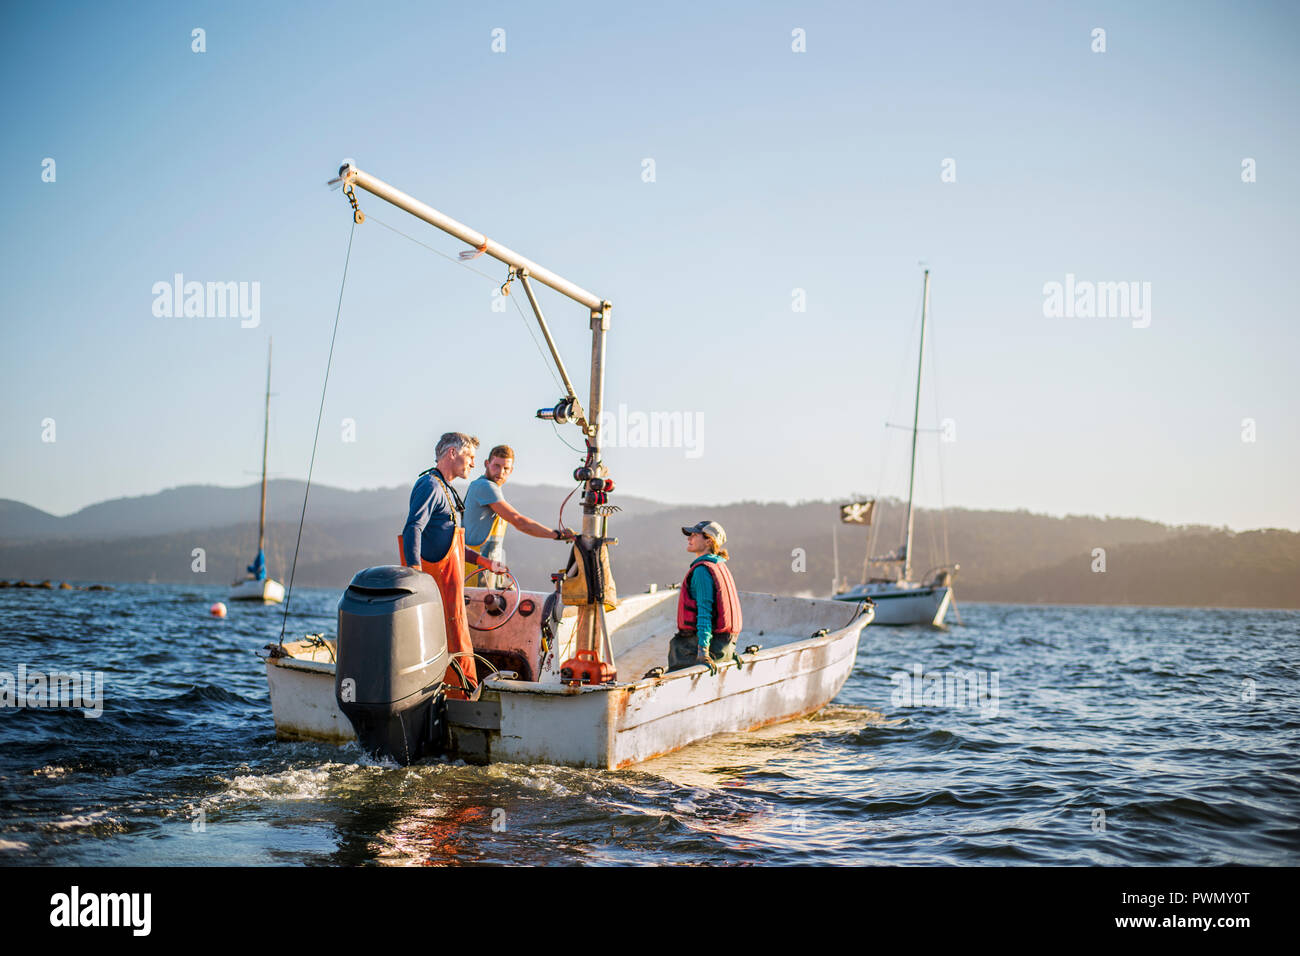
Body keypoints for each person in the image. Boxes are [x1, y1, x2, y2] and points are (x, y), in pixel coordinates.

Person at [400, 432, 507, 699]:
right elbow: (413, 527)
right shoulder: (430, 486)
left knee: (458, 644)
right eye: (469, 456)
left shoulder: (447, 490)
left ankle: (460, 695)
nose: (473, 463)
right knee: (452, 644)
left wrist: (483, 561)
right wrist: (416, 575)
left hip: (451, 590)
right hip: (436, 590)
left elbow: (450, 543)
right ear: (451, 454)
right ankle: (460, 700)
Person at [462, 444, 573, 587]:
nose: (501, 472)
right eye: (496, 466)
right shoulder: (485, 487)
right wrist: (556, 534)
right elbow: (519, 522)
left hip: (488, 570)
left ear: (511, 470)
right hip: (475, 573)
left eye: (506, 468)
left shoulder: (485, 487)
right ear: (486, 464)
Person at [669, 520, 744, 675]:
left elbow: (705, 613)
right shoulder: (719, 565)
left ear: (709, 540)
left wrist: (703, 651)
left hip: (709, 647)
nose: (689, 538)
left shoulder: (702, 571)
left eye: (694, 535)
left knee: (676, 647)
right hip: (725, 645)